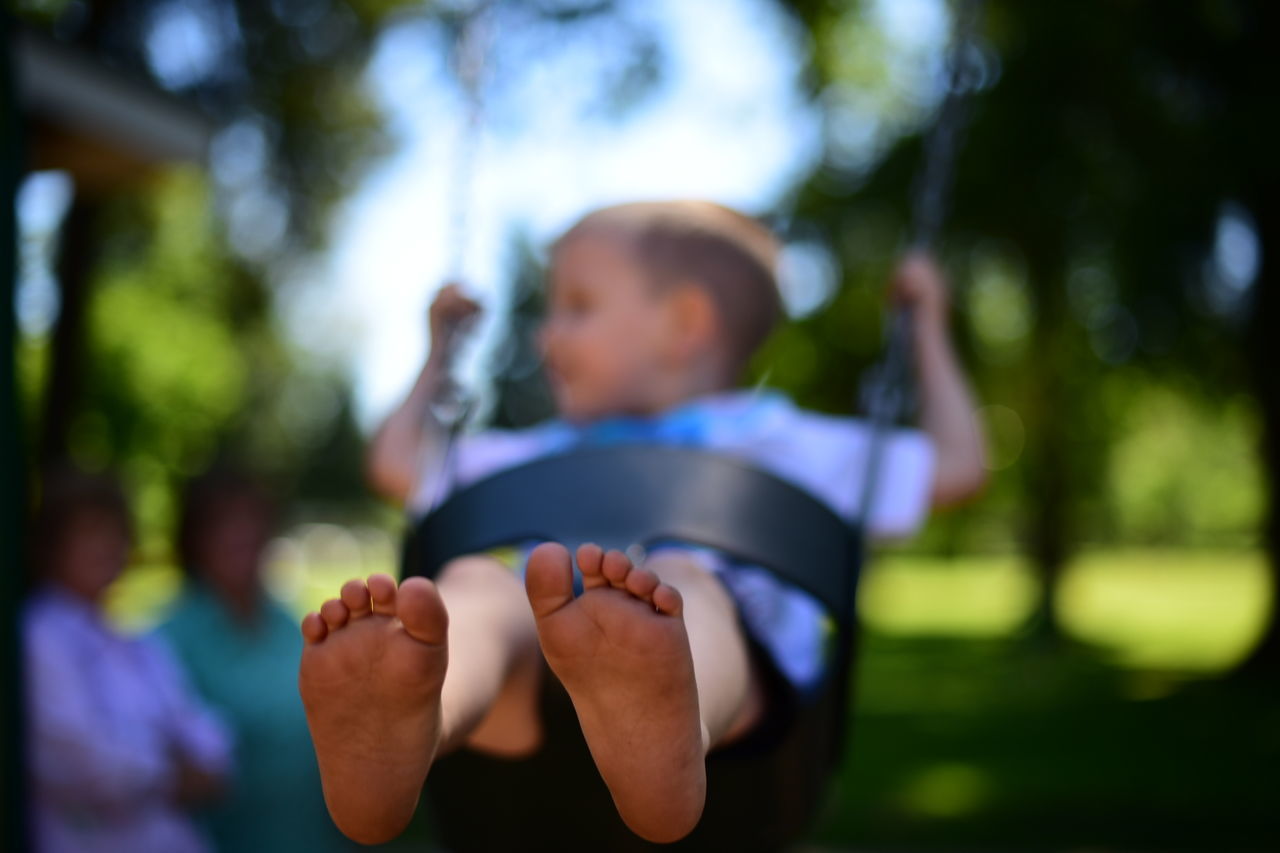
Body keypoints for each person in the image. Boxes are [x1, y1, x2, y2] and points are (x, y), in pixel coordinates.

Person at [300, 201, 988, 845]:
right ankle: (416, 715)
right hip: (536, 701)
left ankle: (665, 725)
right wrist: (437, 354)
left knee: (686, 584)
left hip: (736, 739)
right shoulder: (541, 443)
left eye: (577, 307)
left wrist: (927, 324)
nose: (546, 335)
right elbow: (397, 464)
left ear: (684, 322)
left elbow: (959, 466)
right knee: (479, 587)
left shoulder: (782, 438)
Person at [23, 467, 231, 853]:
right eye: (88, 532)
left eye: (115, 532)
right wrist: (170, 770)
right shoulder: (40, 636)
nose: (106, 546)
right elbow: (86, 761)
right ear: (52, 546)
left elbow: (202, 730)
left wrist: (178, 763)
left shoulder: (135, 641)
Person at [154, 470, 354, 852]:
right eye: (223, 524)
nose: (241, 535)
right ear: (193, 540)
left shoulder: (291, 623)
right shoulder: (163, 642)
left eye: (252, 519)